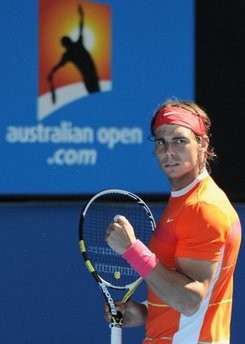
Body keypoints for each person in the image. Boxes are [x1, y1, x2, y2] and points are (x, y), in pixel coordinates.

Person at [104, 99, 242, 343]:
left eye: (180, 141)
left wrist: (132, 250)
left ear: (202, 144)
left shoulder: (203, 207)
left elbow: (190, 301)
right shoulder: (185, 200)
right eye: (161, 142)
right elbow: (189, 293)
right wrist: (146, 310)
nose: (169, 152)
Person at [47, 4, 100, 103]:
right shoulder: (74, 48)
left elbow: (58, 66)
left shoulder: (69, 53)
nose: (70, 41)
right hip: (91, 76)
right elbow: (81, 28)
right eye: (68, 40)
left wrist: (51, 73)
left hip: (90, 76)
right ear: (68, 42)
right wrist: (81, 15)